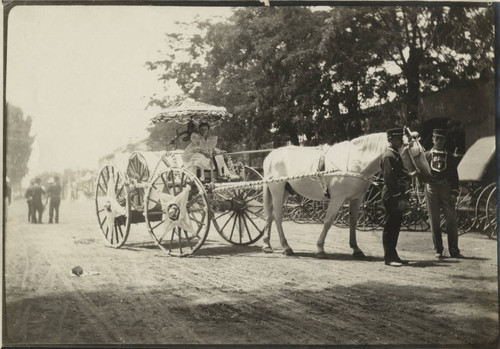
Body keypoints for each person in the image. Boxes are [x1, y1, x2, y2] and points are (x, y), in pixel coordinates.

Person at [425, 129, 463, 259]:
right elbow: (422, 172)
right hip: (432, 188)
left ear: (445, 140)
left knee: (451, 219)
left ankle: (454, 249)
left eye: (441, 139)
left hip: (446, 187)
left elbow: (455, 176)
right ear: (433, 139)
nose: (439, 141)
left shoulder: (450, 156)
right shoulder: (426, 155)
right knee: (434, 220)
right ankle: (438, 250)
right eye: (437, 138)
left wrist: (454, 192)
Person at [380, 128, 410, 267]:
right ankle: (388, 257)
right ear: (390, 139)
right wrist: (398, 198)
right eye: (397, 138)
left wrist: (410, 175)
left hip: (397, 195)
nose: (400, 140)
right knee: (390, 226)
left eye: (400, 138)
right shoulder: (388, 156)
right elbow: (389, 179)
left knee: (395, 226)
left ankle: (394, 255)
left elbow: (399, 173)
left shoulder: (396, 154)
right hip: (391, 196)